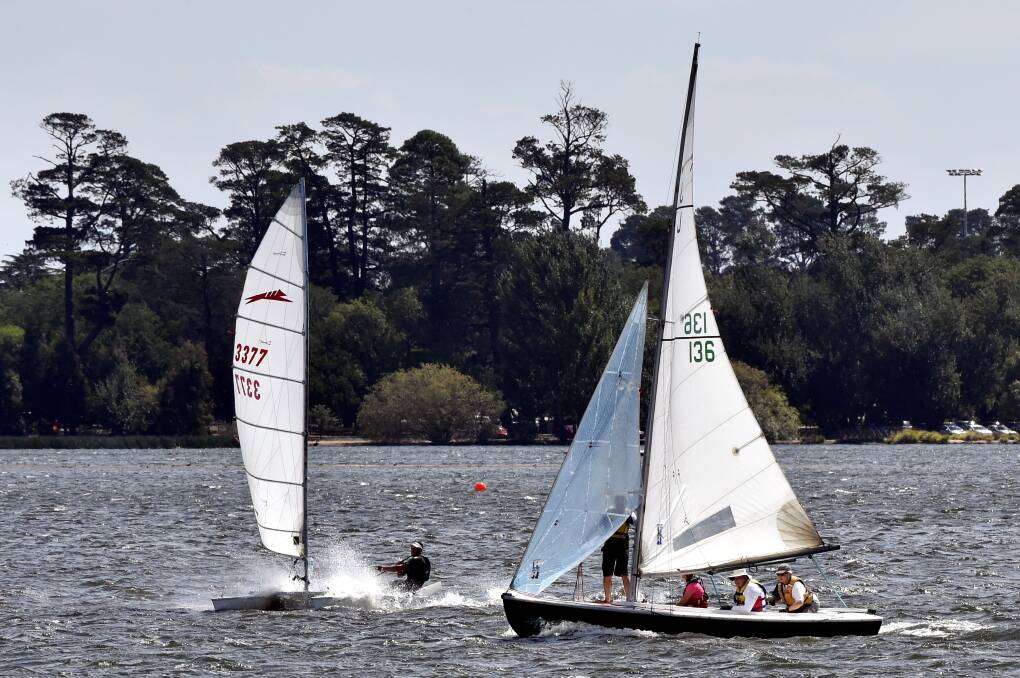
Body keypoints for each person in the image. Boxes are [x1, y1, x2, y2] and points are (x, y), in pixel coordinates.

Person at [599, 513, 635, 604]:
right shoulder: (608, 512)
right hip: (609, 544)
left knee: (624, 575)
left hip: (622, 545)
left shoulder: (629, 512)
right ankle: (607, 599)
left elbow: (633, 520)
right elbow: (600, 524)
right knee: (607, 575)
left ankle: (629, 599)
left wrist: (628, 513)